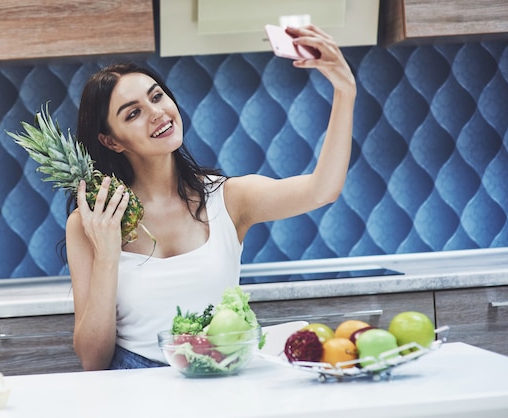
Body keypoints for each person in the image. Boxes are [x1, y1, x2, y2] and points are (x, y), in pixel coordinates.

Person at [65, 24, 356, 370]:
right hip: (136, 391)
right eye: (133, 112)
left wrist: (345, 90)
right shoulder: (92, 223)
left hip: (220, 382)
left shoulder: (227, 198)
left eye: (156, 96)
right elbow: (93, 361)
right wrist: (107, 255)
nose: (156, 112)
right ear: (112, 141)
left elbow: (322, 190)